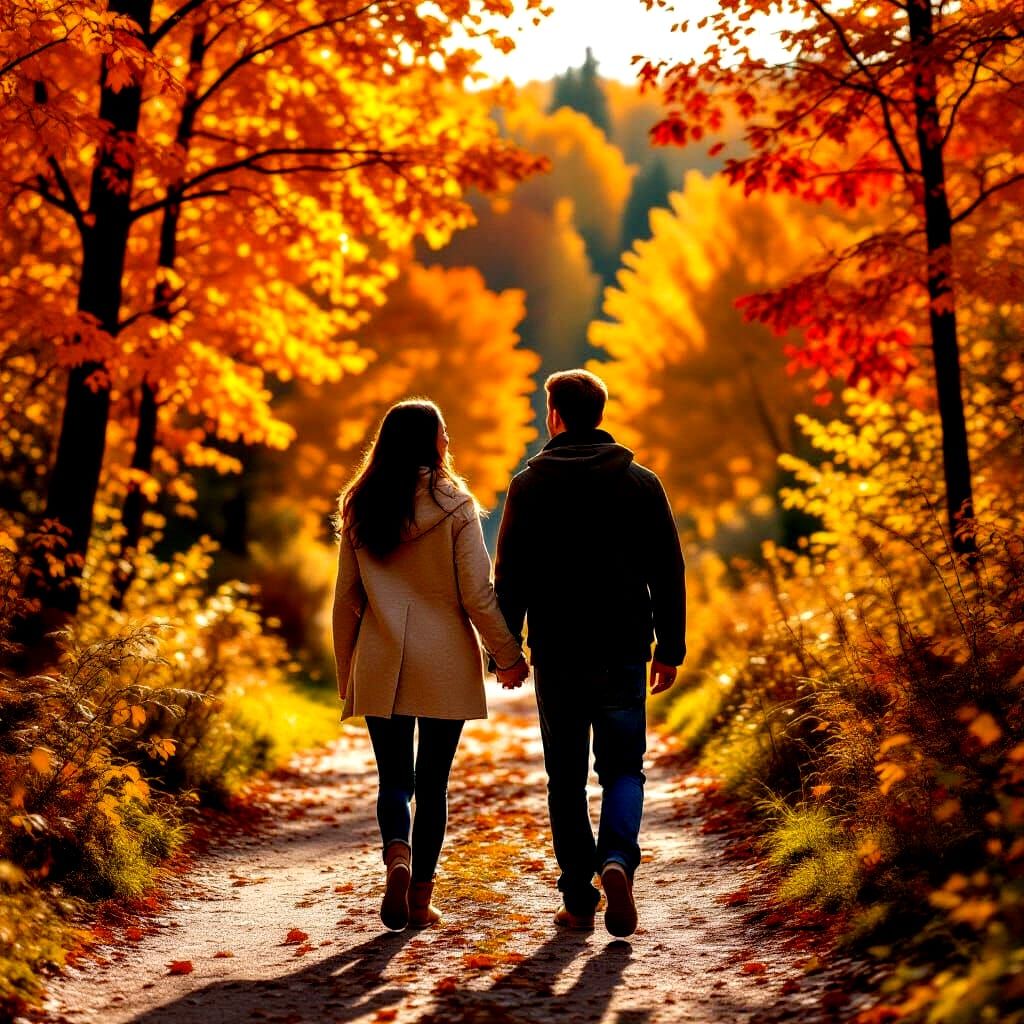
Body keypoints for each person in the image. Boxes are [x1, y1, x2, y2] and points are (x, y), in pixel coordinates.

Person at [494, 369, 686, 938]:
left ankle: (579, 898)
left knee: (566, 778)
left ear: (553, 415)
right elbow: (668, 570)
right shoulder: (641, 483)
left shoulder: (528, 486)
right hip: (624, 648)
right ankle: (617, 861)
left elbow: (511, 576)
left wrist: (505, 650)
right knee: (624, 768)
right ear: (599, 414)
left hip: (558, 652)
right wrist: (669, 648)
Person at [332, 399, 529, 932]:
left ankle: (396, 854)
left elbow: (346, 597)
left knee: (394, 779)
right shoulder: (456, 505)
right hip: (443, 660)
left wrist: (346, 669)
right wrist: (508, 655)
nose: (449, 441)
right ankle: (419, 898)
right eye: (445, 433)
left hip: (381, 656)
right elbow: (476, 594)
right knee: (433, 783)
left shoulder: (361, 502)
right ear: (431, 441)